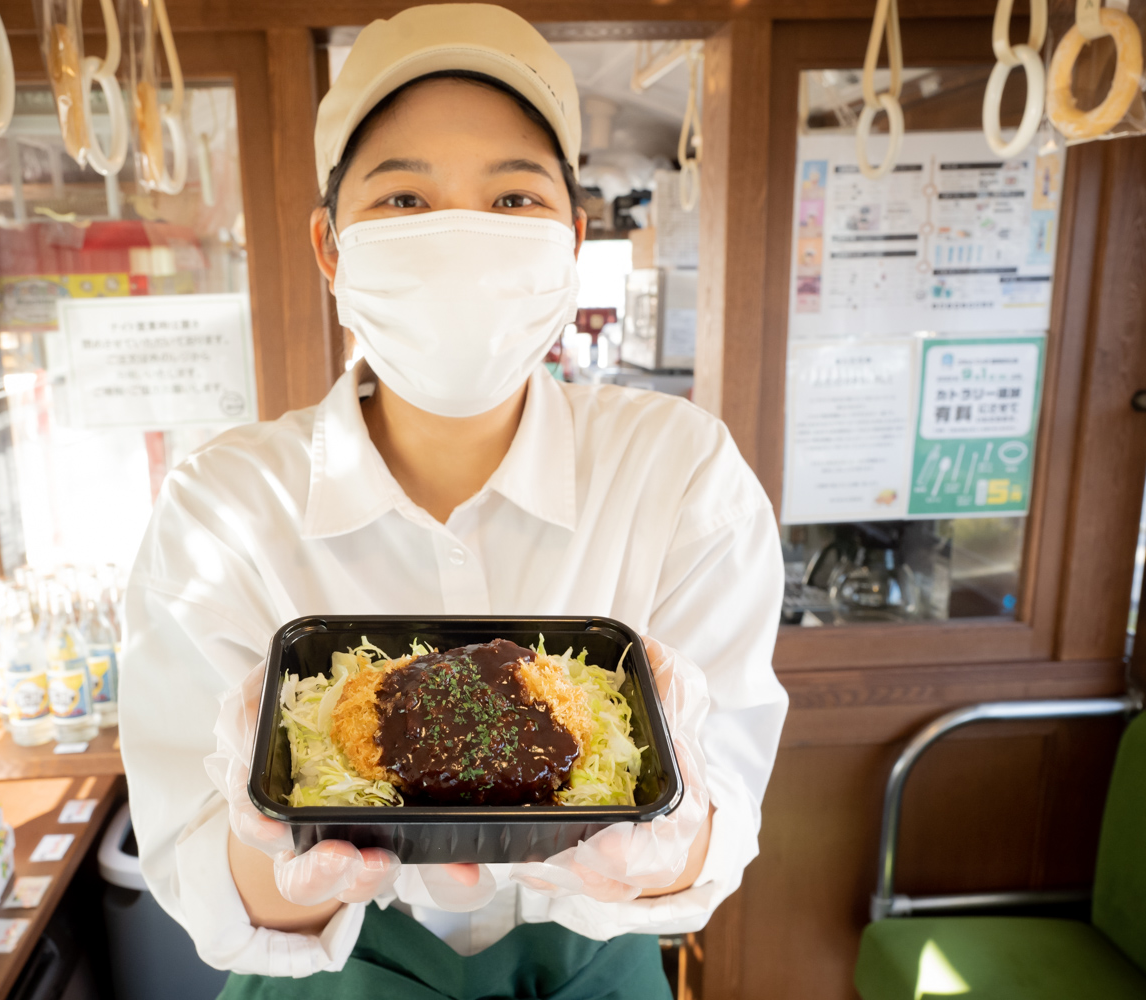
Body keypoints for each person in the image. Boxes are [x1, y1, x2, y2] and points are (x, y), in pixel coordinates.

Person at [119, 5, 788, 997]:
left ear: (571, 238)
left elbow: (717, 827)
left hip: (594, 972)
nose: (460, 240)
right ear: (330, 246)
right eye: (402, 200)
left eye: (512, 198)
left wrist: (669, 840)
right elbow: (205, 880)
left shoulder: (679, 473)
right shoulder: (227, 509)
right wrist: (280, 850)